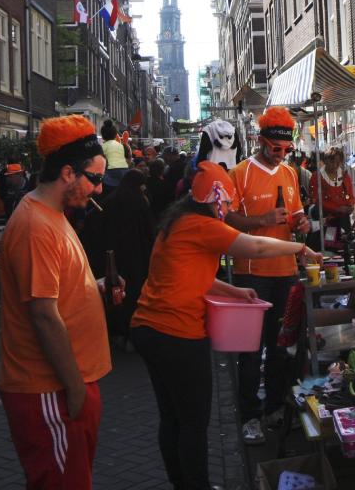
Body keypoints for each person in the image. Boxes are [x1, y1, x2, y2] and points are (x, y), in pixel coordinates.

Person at [131, 161, 320, 490]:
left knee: (173, 418)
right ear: (213, 200)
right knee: (193, 421)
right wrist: (300, 248)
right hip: (177, 333)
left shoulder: (176, 223)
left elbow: (191, 278)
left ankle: (184, 483)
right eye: (228, 202)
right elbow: (256, 246)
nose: (230, 208)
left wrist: (234, 290)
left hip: (148, 328)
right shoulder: (202, 225)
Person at [0, 115, 112, 489]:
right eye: (94, 178)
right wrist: (75, 390)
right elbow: (44, 315)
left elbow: (57, 292)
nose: (97, 190)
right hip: (51, 389)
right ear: (67, 173)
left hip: (64, 386)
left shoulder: (53, 216)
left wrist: (95, 287)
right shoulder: (36, 226)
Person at [224, 107, 310, 445]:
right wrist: (262, 220)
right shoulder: (240, 174)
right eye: (276, 148)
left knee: (280, 345)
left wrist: (301, 223)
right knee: (249, 350)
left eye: (286, 148)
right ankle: (248, 415)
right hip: (251, 274)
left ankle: (274, 406)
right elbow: (228, 221)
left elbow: (298, 213)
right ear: (261, 141)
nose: (281, 153)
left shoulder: (289, 173)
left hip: (285, 271)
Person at [81, 170, 156, 348]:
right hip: (136, 257)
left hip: (113, 257)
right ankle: (132, 332)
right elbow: (149, 230)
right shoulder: (140, 201)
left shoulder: (111, 200)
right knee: (134, 293)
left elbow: (94, 223)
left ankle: (116, 331)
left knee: (115, 293)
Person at [307, 147, 355, 238]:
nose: (334, 165)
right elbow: (315, 200)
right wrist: (336, 209)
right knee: (330, 245)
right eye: (332, 161)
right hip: (325, 221)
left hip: (343, 220)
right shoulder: (316, 177)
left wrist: (350, 206)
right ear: (326, 160)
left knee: (345, 245)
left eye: (338, 162)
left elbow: (350, 196)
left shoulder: (345, 177)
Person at [100, 120, 129, 191]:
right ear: (115, 135)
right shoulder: (123, 147)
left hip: (108, 179)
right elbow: (128, 160)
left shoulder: (101, 148)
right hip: (124, 176)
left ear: (102, 136)